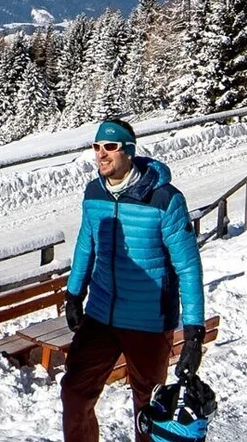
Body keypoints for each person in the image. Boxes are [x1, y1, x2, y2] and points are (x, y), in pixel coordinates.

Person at [61, 119, 207, 442]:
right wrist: (73, 294)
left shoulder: (165, 200)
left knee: (149, 409)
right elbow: (86, 243)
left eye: (109, 147)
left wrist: (194, 330)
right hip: (100, 313)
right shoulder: (94, 192)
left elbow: (188, 266)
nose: (101, 154)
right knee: (74, 391)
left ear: (128, 151)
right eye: (97, 147)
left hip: (148, 319)